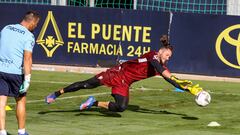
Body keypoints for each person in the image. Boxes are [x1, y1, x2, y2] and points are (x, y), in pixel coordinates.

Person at [45, 35, 203, 112]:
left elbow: (171, 80)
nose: (168, 59)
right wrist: (169, 75)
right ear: (161, 52)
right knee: (86, 84)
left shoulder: (161, 64)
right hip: (115, 73)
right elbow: (161, 70)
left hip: (124, 83)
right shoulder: (153, 56)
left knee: (121, 108)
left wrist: (191, 89)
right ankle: (57, 93)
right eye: (167, 56)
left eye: (170, 57)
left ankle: (93, 103)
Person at [0, 11, 40, 135]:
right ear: (32, 22)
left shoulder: (6, 28)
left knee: (1, 102)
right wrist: (27, 79)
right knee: (21, 101)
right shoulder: (29, 36)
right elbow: (27, 58)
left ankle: (2, 132)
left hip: (1, 70)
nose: (36, 26)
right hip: (15, 73)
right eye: (36, 24)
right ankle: (21, 132)